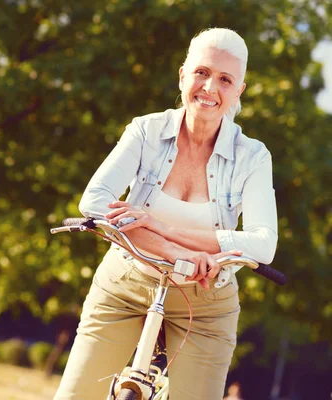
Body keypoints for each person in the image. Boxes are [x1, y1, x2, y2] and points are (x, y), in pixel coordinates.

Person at [54, 28, 277, 400]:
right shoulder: (146, 131)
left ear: (239, 90)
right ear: (183, 75)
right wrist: (178, 253)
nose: (209, 87)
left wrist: (157, 225)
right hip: (126, 282)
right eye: (202, 72)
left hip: (206, 305)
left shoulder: (253, 156)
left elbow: (263, 244)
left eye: (225, 79)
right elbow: (94, 200)